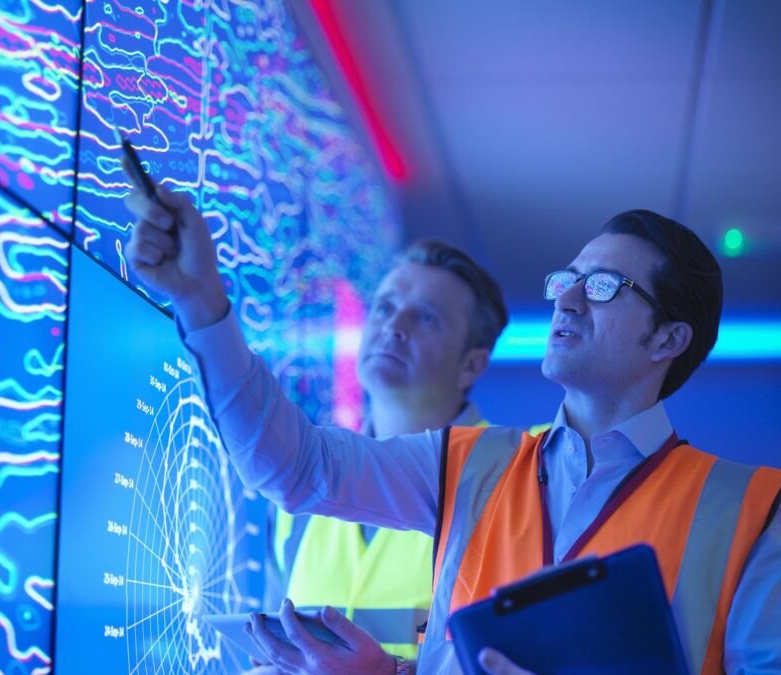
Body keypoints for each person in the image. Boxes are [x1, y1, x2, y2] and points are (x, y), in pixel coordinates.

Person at [121, 174, 781, 674]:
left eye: (605, 286)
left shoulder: (754, 510)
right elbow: (298, 469)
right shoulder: (470, 463)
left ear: (668, 338)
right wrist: (202, 301)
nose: (568, 299)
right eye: (568, 279)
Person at [257, 239, 507, 667]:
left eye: (426, 317)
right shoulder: (299, 488)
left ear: (471, 365)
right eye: (385, 307)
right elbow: (273, 653)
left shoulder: (507, 484)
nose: (394, 326)